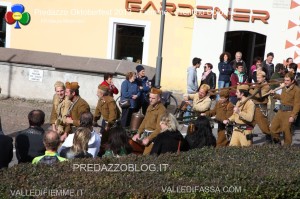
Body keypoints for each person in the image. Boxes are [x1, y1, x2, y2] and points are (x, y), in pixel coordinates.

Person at [132, 88, 167, 155]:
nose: (150, 100)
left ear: (159, 99)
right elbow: (145, 120)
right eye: (149, 97)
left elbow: (159, 128)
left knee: (146, 155)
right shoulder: (150, 106)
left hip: (154, 138)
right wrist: (138, 133)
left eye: (153, 98)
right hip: (145, 135)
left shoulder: (162, 110)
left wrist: (149, 138)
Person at [270, 72, 300, 146]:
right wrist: (274, 94)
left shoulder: (297, 90)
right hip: (280, 111)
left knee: (287, 133)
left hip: (289, 112)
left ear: (292, 81)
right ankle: (278, 143)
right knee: (273, 128)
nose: (285, 82)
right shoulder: (284, 88)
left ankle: (286, 150)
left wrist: (293, 116)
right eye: (285, 80)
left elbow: (297, 104)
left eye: (287, 80)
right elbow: (282, 98)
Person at [249, 71, 272, 143]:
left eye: (259, 77)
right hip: (253, 107)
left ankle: (271, 139)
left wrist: (249, 90)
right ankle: (248, 140)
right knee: (249, 124)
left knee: (263, 126)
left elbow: (259, 96)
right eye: (257, 77)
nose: (257, 79)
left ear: (264, 78)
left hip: (260, 107)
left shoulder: (266, 86)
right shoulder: (257, 84)